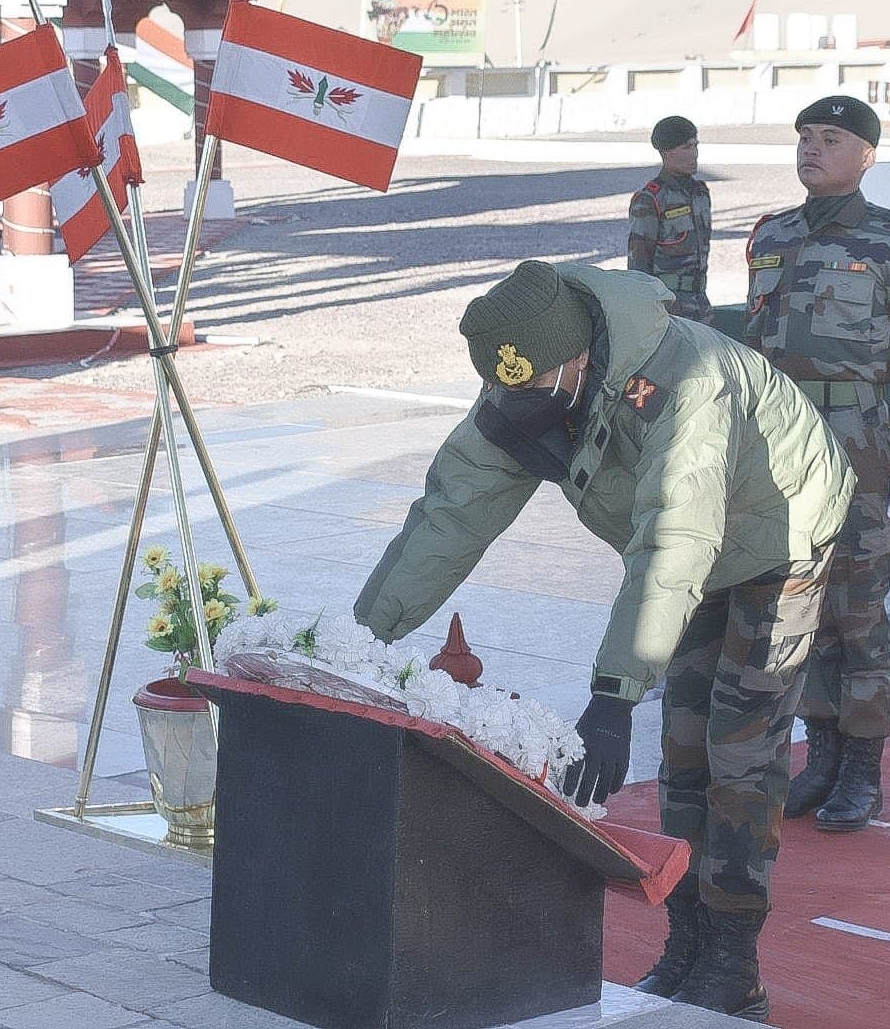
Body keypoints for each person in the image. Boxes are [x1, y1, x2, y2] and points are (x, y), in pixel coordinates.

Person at [354, 258, 854, 1022]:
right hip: (691, 548)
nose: (520, 404)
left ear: (580, 356)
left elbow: (675, 539)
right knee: (685, 750)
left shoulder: (686, 386)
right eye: (506, 389)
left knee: (741, 753)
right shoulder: (527, 379)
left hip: (779, 528)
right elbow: (452, 515)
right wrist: (360, 642)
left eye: (535, 386)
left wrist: (613, 692)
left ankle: (734, 963)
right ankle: (687, 940)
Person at [745, 95, 890, 834]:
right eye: (804, 137)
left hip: (861, 447)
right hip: (782, 445)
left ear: (866, 154)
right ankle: (821, 756)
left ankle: (863, 771)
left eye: (831, 138)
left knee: (858, 614)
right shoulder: (771, 235)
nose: (812, 149)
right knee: (801, 610)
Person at [627, 115, 713, 323]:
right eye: (686, 147)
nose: (694, 153)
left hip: (700, 304)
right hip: (668, 308)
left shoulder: (700, 193)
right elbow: (638, 266)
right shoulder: (650, 199)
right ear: (666, 152)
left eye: (695, 146)